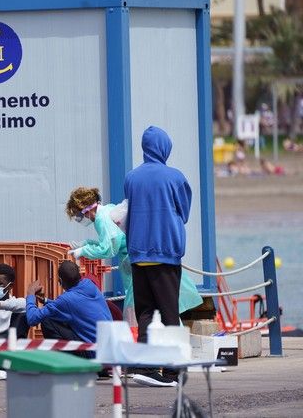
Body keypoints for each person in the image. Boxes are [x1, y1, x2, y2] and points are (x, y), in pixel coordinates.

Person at [65, 187, 202, 327]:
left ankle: (141, 340)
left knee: (138, 308)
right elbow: (111, 240)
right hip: (142, 259)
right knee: (162, 304)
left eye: (79, 215)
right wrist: (85, 244)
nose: (81, 219)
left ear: (86, 209)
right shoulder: (108, 210)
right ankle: (174, 336)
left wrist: (83, 251)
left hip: (135, 263)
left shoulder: (101, 219)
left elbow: (109, 249)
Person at [124, 125, 191, 387]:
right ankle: (173, 372)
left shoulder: (131, 177)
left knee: (145, 313)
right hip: (165, 254)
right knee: (170, 314)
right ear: (165, 147)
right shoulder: (175, 177)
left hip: (139, 254)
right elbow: (183, 212)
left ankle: (145, 366)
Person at [25, 261, 112, 347]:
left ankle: (64, 358)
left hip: (93, 350)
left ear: (60, 281)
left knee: (47, 320)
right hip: (109, 345)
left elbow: (32, 318)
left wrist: (30, 294)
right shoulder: (89, 284)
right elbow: (73, 305)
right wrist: (45, 300)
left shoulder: (66, 300)